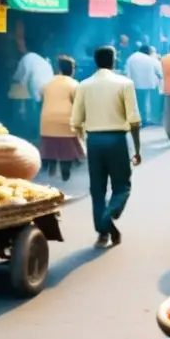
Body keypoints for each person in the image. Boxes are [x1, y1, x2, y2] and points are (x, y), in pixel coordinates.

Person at [71, 47, 141, 249]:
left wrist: (86, 142)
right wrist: (137, 149)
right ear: (114, 60)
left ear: (95, 61)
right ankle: (108, 216)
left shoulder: (84, 85)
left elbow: (76, 121)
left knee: (97, 189)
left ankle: (103, 233)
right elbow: (134, 121)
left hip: (94, 141)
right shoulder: (125, 83)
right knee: (122, 186)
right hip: (117, 140)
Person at [39, 57, 83, 182]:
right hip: (66, 122)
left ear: (59, 69)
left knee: (50, 145)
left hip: (47, 122)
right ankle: (65, 171)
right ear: (72, 69)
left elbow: (41, 96)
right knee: (66, 148)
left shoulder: (48, 83)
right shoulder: (74, 84)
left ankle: (49, 168)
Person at [12, 44, 54, 138]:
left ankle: (34, 136)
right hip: (48, 91)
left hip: (38, 93)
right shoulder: (41, 60)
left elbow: (20, 79)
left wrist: (11, 77)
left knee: (36, 115)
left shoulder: (27, 58)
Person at [125, 45, 162, 126]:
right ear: (148, 51)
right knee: (146, 103)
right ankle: (145, 120)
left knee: (137, 103)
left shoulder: (131, 58)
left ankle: (138, 120)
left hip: (134, 84)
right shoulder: (151, 59)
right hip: (148, 84)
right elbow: (160, 72)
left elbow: (127, 72)